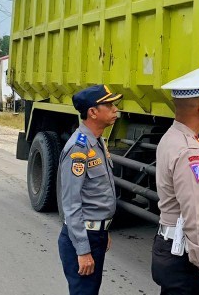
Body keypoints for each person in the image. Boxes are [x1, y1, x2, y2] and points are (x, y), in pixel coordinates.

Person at [152, 67, 199, 295]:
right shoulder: (189, 152)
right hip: (184, 258)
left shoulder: (171, 137)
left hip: (173, 249)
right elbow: (195, 215)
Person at [58, 84, 122, 295]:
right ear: (93, 112)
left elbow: (95, 194)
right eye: (109, 105)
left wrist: (104, 229)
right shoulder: (79, 148)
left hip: (95, 234)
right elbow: (71, 203)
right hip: (83, 237)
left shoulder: (97, 141)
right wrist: (83, 250)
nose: (115, 109)